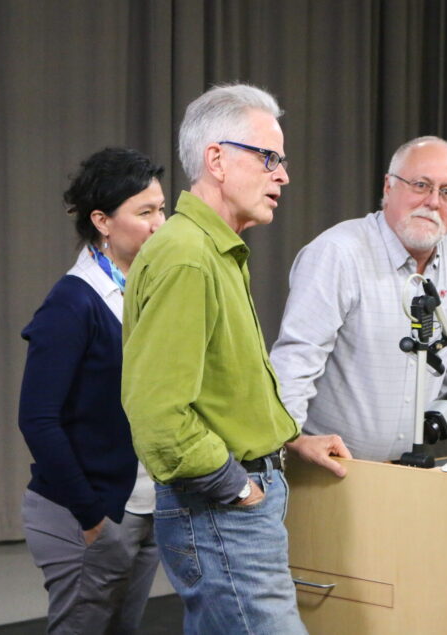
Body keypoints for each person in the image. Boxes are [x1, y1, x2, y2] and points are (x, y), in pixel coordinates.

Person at [121, 83, 350, 635]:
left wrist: (288, 437)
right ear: (216, 160)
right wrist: (236, 486)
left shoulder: (212, 250)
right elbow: (159, 414)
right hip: (223, 511)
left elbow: (222, 388)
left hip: (231, 506)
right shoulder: (189, 257)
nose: (284, 176)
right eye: (269, 158)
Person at [270, 136, 447, 461]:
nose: (433, 202)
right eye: (421, 185)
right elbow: (297, 362)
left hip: (409, 475)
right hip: (333, 474)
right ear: (389, 187)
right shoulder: (337, 253)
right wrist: (286, 445)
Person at [18, 147, 166, 634]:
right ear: (102, 220)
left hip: (141, 506)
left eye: (161, 209)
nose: (158, 224)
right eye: (144, 213)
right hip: (87, 512)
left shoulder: (149, 287)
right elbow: (37, 419)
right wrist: (92, 517)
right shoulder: (72, 302)